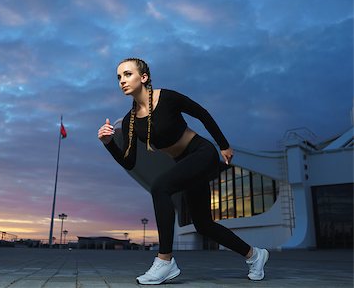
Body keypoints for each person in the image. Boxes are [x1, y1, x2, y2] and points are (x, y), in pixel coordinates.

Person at [97, 58, 269, 285]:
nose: (122, 81)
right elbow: (129, 162)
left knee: (160, 187)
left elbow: (202, 113)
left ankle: (165, 260)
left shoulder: (167, 98)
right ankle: (255, 255)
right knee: (203, 224)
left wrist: (223, 145)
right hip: (184, 162)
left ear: (144, 77)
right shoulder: (130, 121)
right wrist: (109, 143)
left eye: (127, 74)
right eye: (118, 77)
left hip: (202, 153)